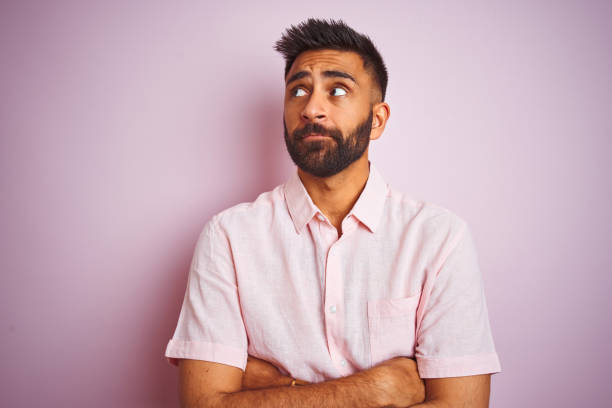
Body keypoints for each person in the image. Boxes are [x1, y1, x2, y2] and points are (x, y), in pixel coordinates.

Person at [165, 18, 501, 407]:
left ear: (377, 120)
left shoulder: (439, 238)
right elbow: (204, 405)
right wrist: (374, 391)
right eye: (298, 91)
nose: (311, 108)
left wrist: (268, 389)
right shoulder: (228, 237)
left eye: (337, 90)